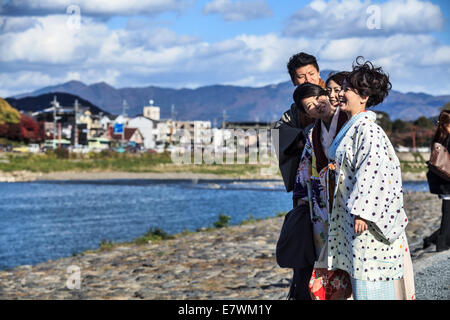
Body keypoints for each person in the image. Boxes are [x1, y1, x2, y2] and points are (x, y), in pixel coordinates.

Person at [326, 57, 415, 300]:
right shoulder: (355, 126)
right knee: (361, 277)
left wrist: (363, 211)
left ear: (364, 96)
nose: (341, 94)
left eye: (346, 89)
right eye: (342, 88)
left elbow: (373, 170)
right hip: (353, 214)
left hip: (365, 219)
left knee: (370, 278)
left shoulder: (368, 129)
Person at [272, 52, 326, 300]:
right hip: (307, 189)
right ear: (293, 80)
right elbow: (280, 134)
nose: (307, 79)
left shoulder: (333, 98)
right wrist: (303, 135)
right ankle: (302, 290)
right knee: (306, 244)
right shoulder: (293, 112)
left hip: (334, 188)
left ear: (319, 73)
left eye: (311, 74)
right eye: (301, 76)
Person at [292, 80, 351, 300]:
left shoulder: (348, 120)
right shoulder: (312, 134)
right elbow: (304, 168)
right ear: (308, 114)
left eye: (319, 97)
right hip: (321, 205)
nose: (317, 105)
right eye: (309, 106)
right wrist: (301, 199)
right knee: (326, 255)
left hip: (346, 197)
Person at [423, 110, 450, 252]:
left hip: (444, 180)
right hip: (447, 183)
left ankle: (431, 239)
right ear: (445, 124)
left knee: (448, 215)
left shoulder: (439, 139)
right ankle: (442, 244)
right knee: (447, 215)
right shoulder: (446, 139)